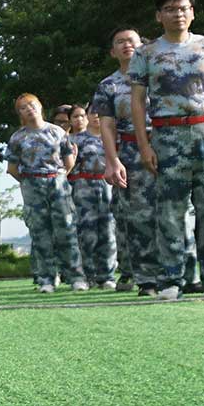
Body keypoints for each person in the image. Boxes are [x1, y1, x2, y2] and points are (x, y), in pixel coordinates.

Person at [128, 0, 204, 301]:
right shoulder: (146, 53)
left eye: (183, 8)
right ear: (158, 15)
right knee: (169, 211)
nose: (177, 14)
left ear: (191, 12)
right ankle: (170, 280)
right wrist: (144, 144)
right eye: (169, 9)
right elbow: (138, 101)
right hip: (166, 134)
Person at [93, 28, 154, 293]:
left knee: (178, 211)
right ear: (112, 51)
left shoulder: (158, 76)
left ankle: (183, 273)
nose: (127, 45)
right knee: (138, 217)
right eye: (120, 42)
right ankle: (146, 277)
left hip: (165, 146)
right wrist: (112, 160)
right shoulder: (108, 86)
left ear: (143, 45)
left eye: (131, 40)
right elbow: (106, 126)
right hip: (130, 152)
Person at [6, 94, 85, 292]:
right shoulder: (17, 138)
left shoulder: (57, 132)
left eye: (32, 105)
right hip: (32, 185)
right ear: (20, 114)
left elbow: (68, 163)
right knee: (40, 233)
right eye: (24, 108)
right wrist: (29, 182)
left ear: (40, 107)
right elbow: (12, 168)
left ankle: (76, 276)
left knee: (67, 229)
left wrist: (57, 178)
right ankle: (47, 279)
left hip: (57, 183)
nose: (29, 109)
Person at [67, 104, 117, 289]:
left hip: (107, 186)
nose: (96, 116)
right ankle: (88, 274)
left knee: (108, 232)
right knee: (87, 233)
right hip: (82, 187)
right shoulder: (74, 139)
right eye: (92, 113)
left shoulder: (111, 137)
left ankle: (107, 275)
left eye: (100, 113)